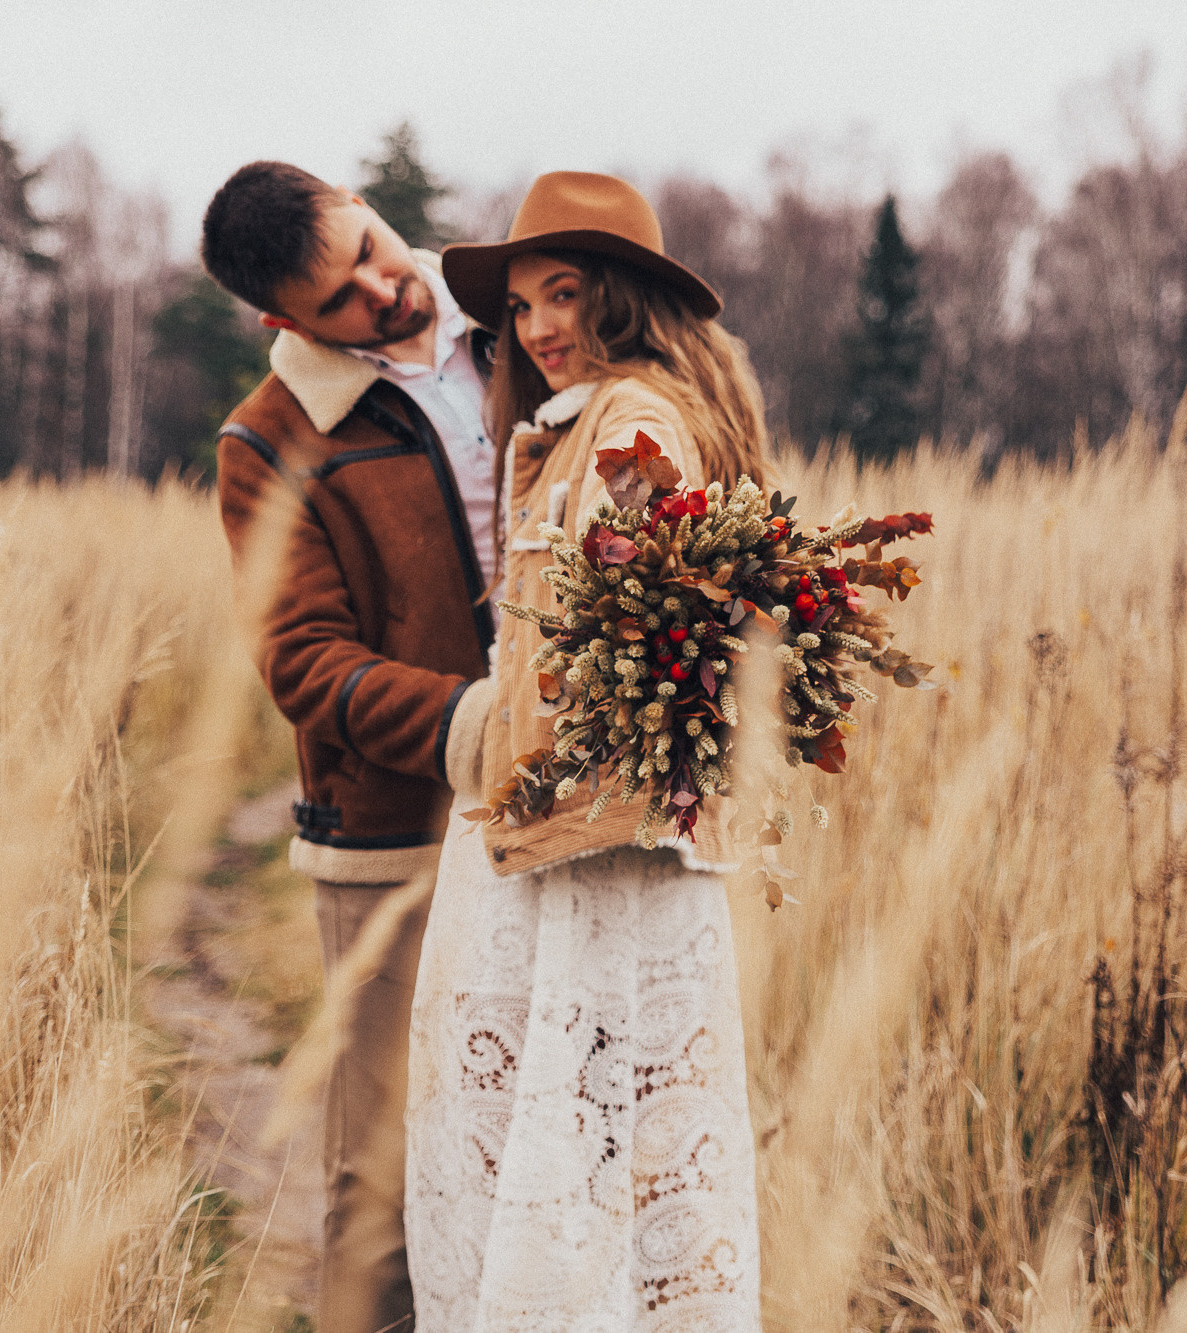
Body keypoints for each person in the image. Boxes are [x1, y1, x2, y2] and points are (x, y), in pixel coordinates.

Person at [408, 172, 769, 1330]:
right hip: (583, 837)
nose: (538, 327)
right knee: (588, 1143)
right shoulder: (589, 420)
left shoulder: (633, 422)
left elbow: (661, 615)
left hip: (595, 855)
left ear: (621, 295)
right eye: (518, 306)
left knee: (573, 1142)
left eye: (562, 293)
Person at [201, 160, 498, 1333]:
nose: (385, 287)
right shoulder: (268, 442)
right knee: (379, 1174)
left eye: (373, 244)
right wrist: (469, 728)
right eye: (341, 296)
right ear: (284, 322)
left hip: (573, 818)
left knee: (545, 1138)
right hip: (394, 844)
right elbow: (302, 660)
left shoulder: (520, 331)